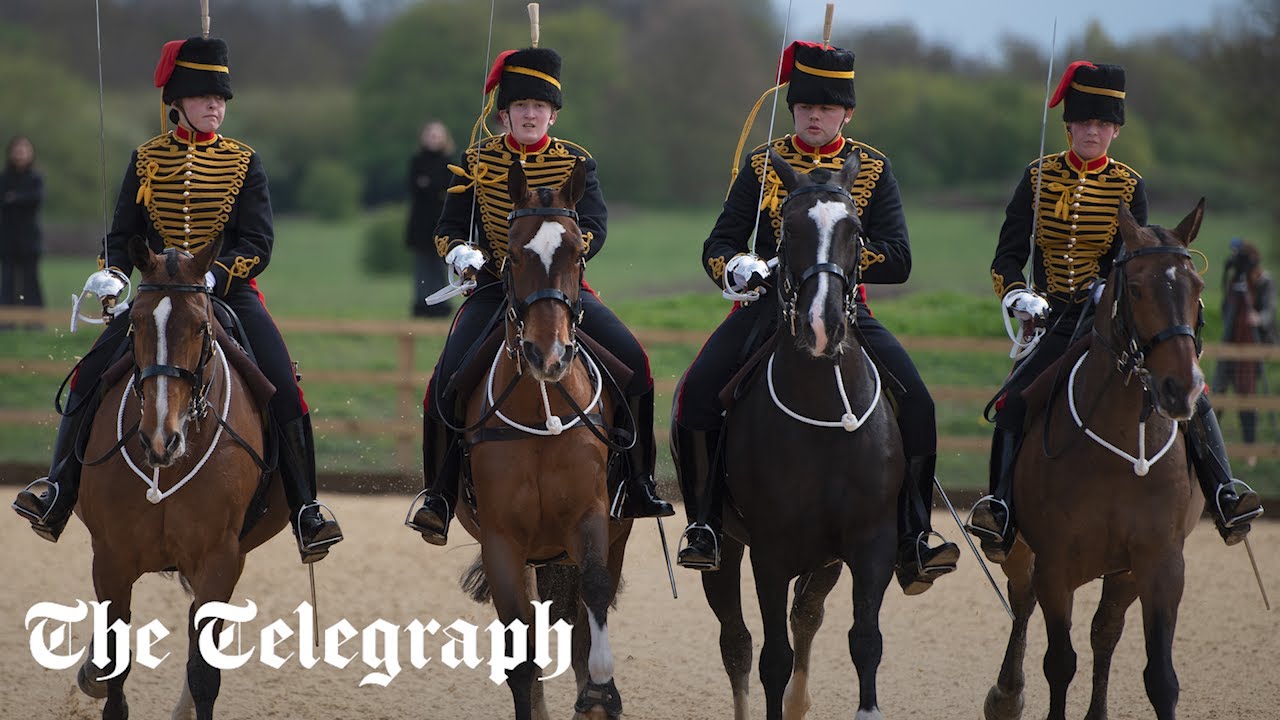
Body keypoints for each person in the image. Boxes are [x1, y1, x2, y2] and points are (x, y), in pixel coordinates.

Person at [10, 34, 343, 563]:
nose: (217, 106)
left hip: (227, 292)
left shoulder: (243, 162)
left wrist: (213, 279)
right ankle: (58, 490)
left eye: (221, 99)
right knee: (88, 375)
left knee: (282, 385)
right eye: (206, 96)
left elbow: (258, 243)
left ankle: (306, 509)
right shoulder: (146, 161)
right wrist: (114, 275)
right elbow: (121, 235)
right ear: (178, 102)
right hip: (157, 297)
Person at [672, 40, 961, 595]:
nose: (814, 116)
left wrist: (833, 261)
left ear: (846, 113)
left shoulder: (874, 168)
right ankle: (705, 523)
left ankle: (915, 535)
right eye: (805, 106)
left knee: (919, 401)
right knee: (696, 393)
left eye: (826, 108)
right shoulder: (763, 164)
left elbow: (898, 257)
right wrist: (739, 268)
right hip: (766, 311)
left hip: (848, 312)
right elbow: (719, 244)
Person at [966, 61, 1263, 561]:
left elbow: (1138, 258)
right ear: (1070, 127)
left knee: (1192, 390)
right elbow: (1008, 253)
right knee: (1013, 402)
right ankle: (1000, 507)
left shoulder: (1129, 184)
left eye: (1103, 125)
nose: (1094, 132)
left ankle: (1224, 493)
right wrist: (1017, 293)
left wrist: (1108, 293)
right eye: (1085, 124)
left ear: (1116, 130)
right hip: (1055, 318)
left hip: (1113, 316)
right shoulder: (1039, 176)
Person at [405, 45, 674, 544]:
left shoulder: (576, 161)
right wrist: (461, 253)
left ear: (552, 113)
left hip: (564, 291)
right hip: (493, 292)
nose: (530, 114)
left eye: (539, 106)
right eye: (520, 106)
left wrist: (562, 252)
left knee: (636, 364)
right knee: (443, 381)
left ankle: (637, 482)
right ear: (504, 113)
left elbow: (594, 224)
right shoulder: (476, 161)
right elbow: (446, 228)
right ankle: (440, 494)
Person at [1212, 238, 1276, 459]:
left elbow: (1269, 311)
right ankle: (1212, 442)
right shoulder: (1234, 282)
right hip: (1231, 341)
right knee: (1218, 389)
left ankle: (1250, 449)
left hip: (1252, 345)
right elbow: (1225, 309)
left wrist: (1256, 318)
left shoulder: (1264, 281)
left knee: (1247, 396)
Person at [407, 120, 455, 318]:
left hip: (441, 221)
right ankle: (421, 304)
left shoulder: (449, 163)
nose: (433, 139)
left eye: (437, 135)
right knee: (422, 267)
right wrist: (433, 189)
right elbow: (414, 187)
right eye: (430, 135)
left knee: (440, 266)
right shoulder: (417, 161)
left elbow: (446, 188)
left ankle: (441, 304)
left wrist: (429, 186)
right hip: (420, 223)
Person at [0, 136, 45, 314]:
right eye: (17, 150)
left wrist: (14, 198)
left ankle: (35, 322)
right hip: (8, 239)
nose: (20, 154)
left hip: (29, 240)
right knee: (8, 282)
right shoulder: (4, 178)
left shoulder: (36, 178)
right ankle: (6, 322)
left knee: (31, 282)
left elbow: (35, 199)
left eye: (24, 150)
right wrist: (18, 199)